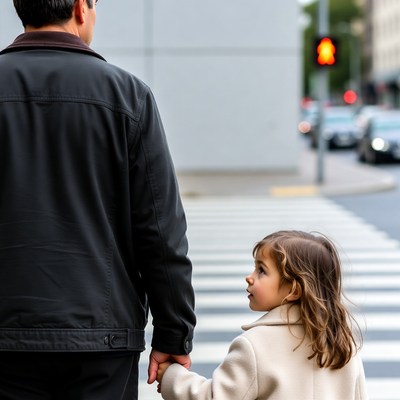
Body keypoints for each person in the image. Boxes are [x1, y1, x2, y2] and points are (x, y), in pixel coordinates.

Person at [0, 1, 196, 399]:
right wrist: (174, 332)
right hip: (101, 340)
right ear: (79, 8)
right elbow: (160, 231)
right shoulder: (127, 96)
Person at [157, 230, 368, 400]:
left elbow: (213, 397)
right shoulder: (343, 343)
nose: (249, 277)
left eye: (261, 271)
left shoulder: (255, 346)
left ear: (293, 290)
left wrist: (171, 376)